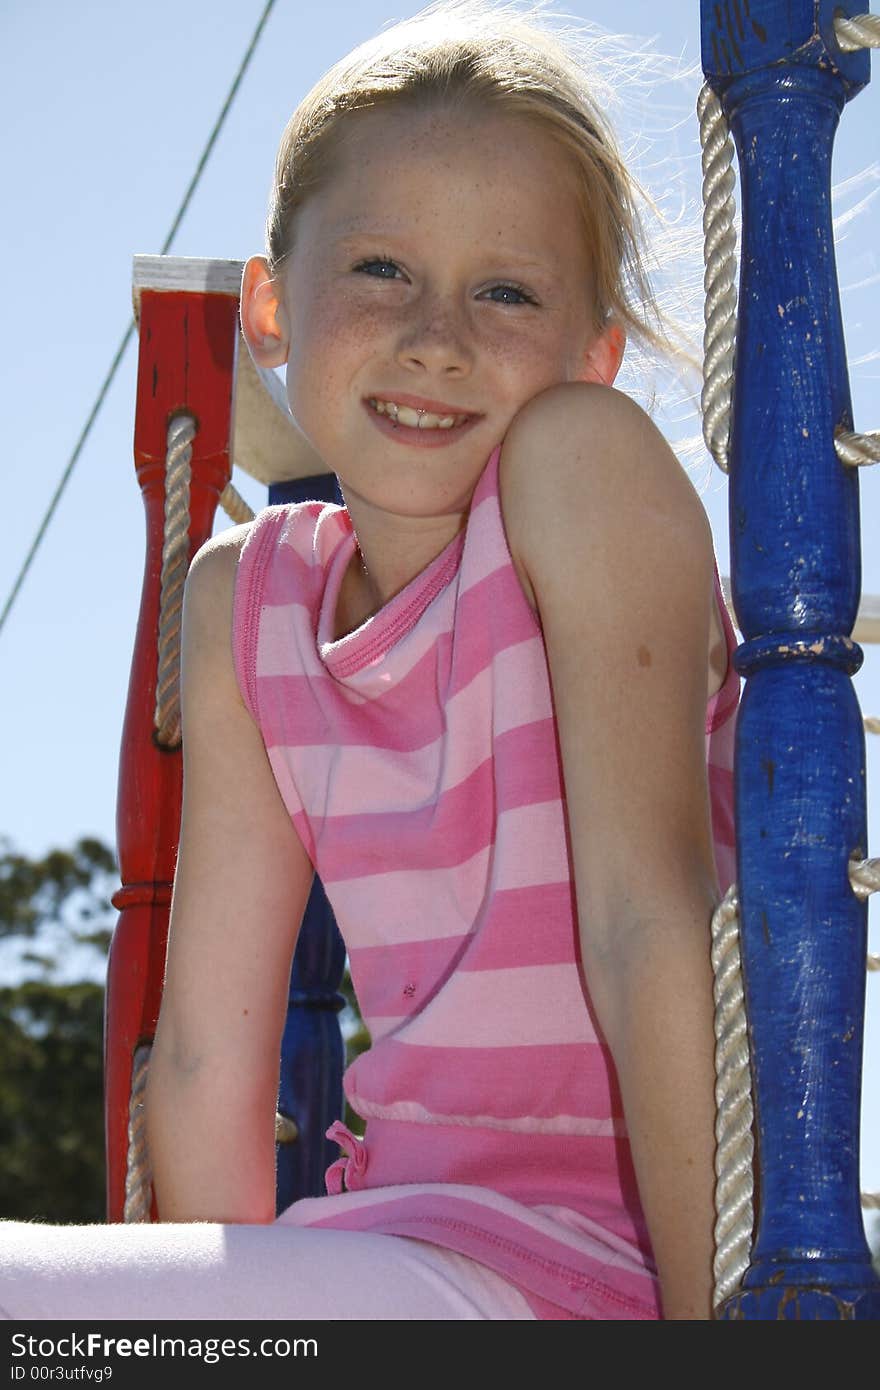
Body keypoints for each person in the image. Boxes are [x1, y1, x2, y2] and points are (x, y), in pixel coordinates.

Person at [0, 0, 739, 1321]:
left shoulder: (584, 476)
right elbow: (213, 1059)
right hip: (392, 1245)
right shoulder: (249, 598)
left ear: (595, 355)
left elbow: (652, 927)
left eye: (504, 290)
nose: (436, 334)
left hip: (605, 1263)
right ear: (273, 306)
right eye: (382, 270)